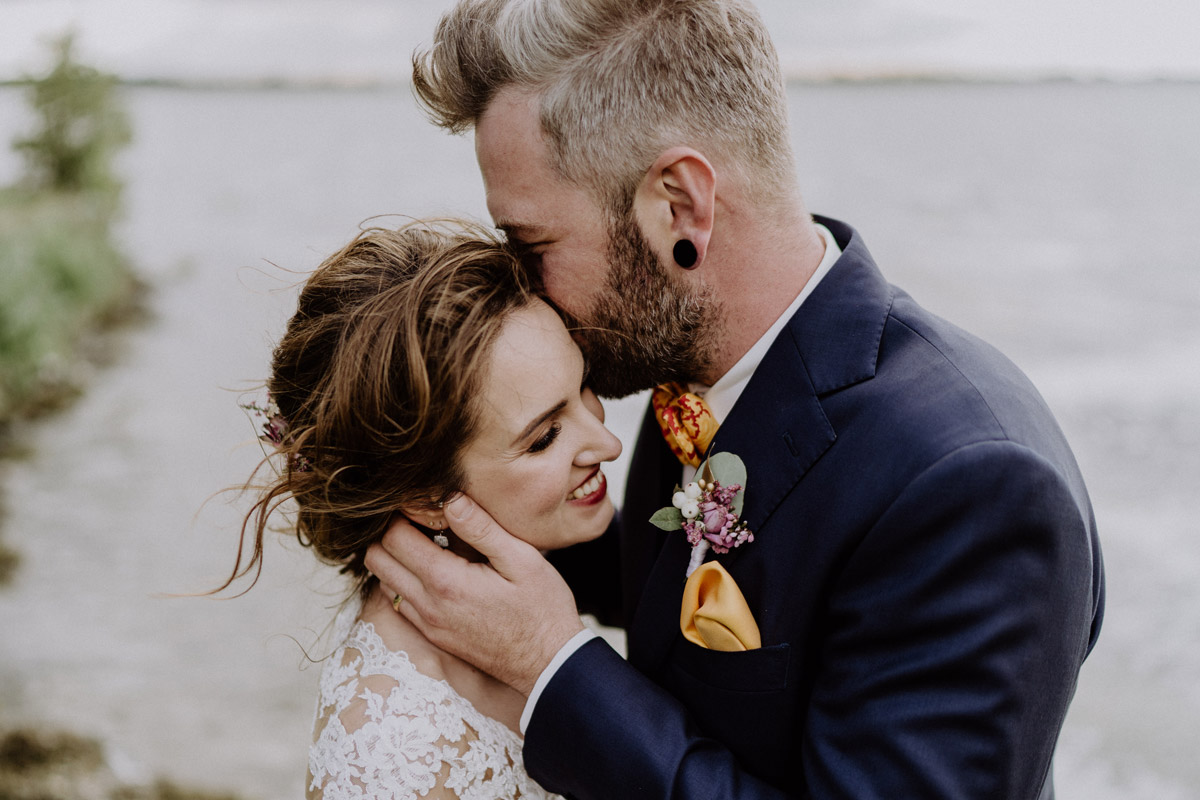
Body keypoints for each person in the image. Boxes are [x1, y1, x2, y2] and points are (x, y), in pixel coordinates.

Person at [364, 1, 1106, 798]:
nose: (524, 290)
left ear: (680, 206)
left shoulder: (973, 489)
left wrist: (552, 666)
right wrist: (447, 502)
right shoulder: (691, 362)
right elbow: (685, 586)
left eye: (533, 246)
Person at [228, 220, 622, 799]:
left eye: (584, 386)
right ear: (429, 497)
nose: (608, 444)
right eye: (544, 437)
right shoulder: (391, 755)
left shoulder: (529, 580)